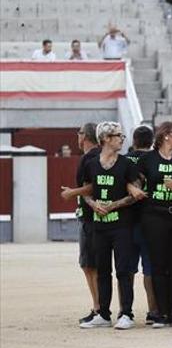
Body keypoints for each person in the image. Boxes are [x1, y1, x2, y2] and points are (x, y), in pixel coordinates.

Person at [77, 122, 141, 329]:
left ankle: (126, 314)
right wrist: (93, 204)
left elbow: (135, 195)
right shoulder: (91, 164)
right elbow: (86, 191)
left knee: (124, 270)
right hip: (99, 226)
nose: (122, 139)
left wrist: (113, 205)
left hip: (122, 225)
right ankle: (103, 314)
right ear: (105, 138)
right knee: (102, 269)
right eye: (118, 136)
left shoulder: (126, 164)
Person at [130, 122, 172, 328]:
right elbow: (132, 179)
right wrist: (134, 189)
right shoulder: (148, 158)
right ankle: (160, 313)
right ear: (165, 136)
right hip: (154, 215)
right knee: (158, 264)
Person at [60, 123, 100, 324]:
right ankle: (98, 306)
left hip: (90, 217)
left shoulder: (90, 157)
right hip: (91, 216)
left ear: (85, 136)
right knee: (90, 265)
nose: (77, 136)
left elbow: (94, 186)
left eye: (80, 133)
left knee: (90, 264)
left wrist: (72, 193)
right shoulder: (95, 156)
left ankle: (98, 307)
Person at [125, 126, 160, 324]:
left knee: (127, 269)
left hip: (127, 220)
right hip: (151, 219)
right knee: (150, 269)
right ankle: (153, 311)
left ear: (134, 140)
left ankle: (126, 310)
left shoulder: (125, 160)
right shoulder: (156, 159)